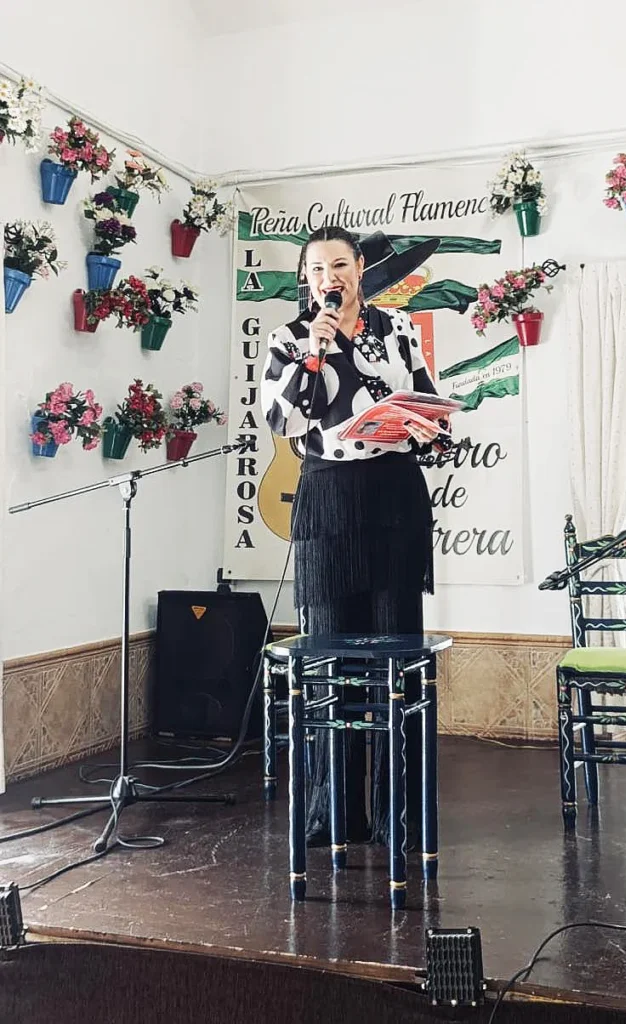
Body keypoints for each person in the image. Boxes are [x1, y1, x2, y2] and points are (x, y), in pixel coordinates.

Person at [261, 224, 444, 847]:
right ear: (305, 278)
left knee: (397, 665)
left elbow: (428, 404)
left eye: (339, 265)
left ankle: (402, 819)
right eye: (315, 270)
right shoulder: (290, 337)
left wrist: (426, 429)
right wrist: (318, 350)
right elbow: (282, 418)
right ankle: (335, 815)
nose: (327, 278)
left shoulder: (398, 329)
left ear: (360, 268)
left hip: (394, 497)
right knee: (333, 667)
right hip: (329, 502)